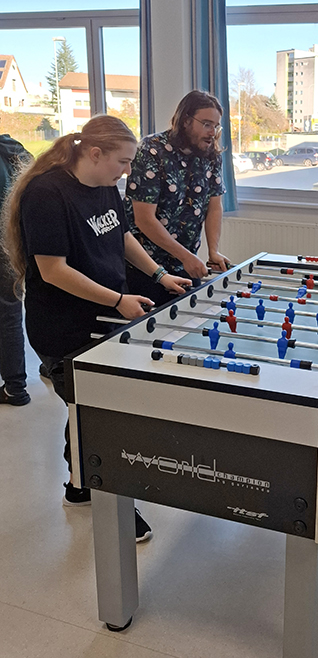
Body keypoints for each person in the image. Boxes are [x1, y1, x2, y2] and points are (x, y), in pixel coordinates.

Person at [4, 115, 191, 541]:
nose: (126, 172)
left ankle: (80, 486)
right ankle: (114, 503)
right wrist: (118, 301)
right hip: (63, 327)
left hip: (105, 316)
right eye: (122, 162)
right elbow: (52, 271)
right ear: (94, 153)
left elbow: (122, 235)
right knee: (101, 413)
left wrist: (160, 275)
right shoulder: (46, 194)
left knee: (88, 410)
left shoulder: (104, 185)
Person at [124, 90, 230, 307]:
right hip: (146, 267)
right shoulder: (151, 150)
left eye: (216, 126)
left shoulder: (211, 155)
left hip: (187, 262)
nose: (212, 132)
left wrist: (213, 250)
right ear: (186, 121)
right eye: (206, 124)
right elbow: (143, 219)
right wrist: (185, 256)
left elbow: (215, 206)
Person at [0, 134, 32, 406]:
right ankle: (16, 386)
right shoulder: (17, 150)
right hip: (14, 243)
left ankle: (14, 387)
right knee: (11, 315)